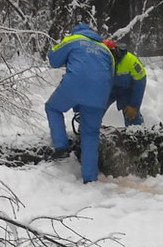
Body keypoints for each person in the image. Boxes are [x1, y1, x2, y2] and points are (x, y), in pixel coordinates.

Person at [46, 22, 114, 183]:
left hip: (75, 84)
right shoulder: (105, 49)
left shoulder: (74, 39)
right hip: (100, 91)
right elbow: (110, 73)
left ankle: (61, 147)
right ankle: (90, 178)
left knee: (52, 108)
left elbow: (53, 59)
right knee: (90, 133)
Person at [102, 39, 147, 125]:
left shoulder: (130, 60)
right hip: (107, 89)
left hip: (127, 89)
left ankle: (136, 129)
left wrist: (134, 105)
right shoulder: (97, 61)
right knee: (95, 109)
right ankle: (88, 129)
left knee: (131, 113)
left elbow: (140, 83)